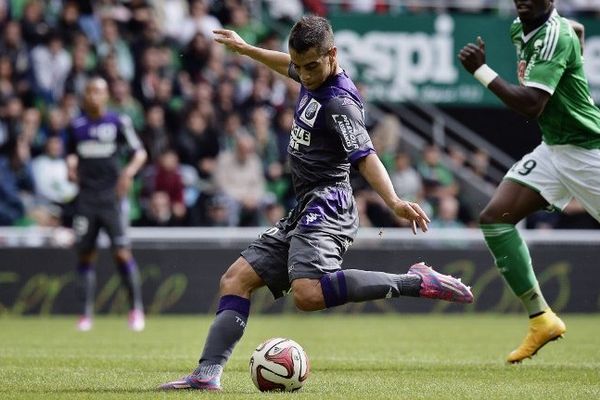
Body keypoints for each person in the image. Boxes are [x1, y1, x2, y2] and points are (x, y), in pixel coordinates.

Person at [160, 16, 473, 391]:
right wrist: (246, 50)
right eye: (300, 66)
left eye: (311, 67)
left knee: (308, 295)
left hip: (329, 203)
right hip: (304, 204)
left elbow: (366, 155)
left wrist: (393, 201)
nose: (304, 75)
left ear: (332, 55)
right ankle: (206, 376)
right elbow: (287, 64)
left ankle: (414, 281)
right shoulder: (312, 71)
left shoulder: (340, 103)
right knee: (235, 280)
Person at [458, 1, 599, 363]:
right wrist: (576, 48)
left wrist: (481, 72)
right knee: (495, 217)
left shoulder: (552, 35)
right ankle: (542, 319)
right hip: (555, 149)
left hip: (588, 152)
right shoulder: (521, 28)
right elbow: (577, 30)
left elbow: (532, 104)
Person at [66, 77, 148, 332]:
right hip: (86, 199)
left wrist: (128, 173)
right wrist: (70, 165)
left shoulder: (117, 122)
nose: (94, 96)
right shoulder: (75, 126)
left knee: (122, 252)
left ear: (106, 96)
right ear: (84, 96)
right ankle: (85, 314)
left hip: (111, 198)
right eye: (90, 91)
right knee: (85, 254)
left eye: (99, 91)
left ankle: (135, 309)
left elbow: (140, 153)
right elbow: (70, 153)